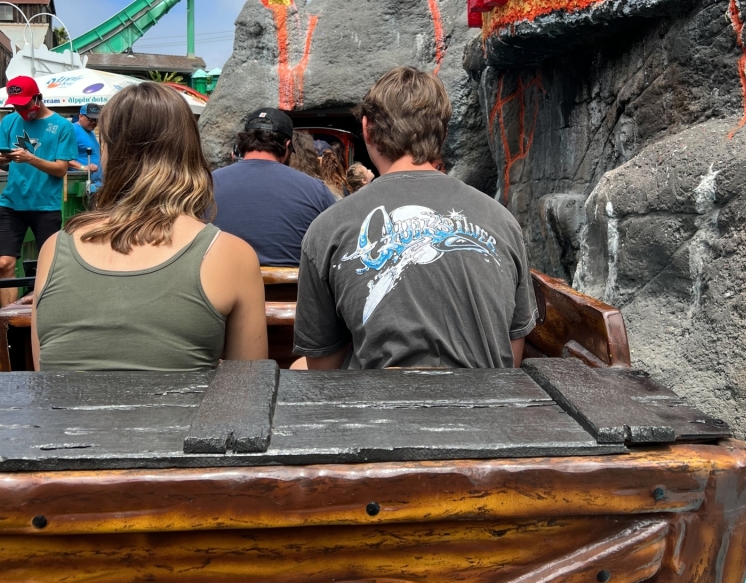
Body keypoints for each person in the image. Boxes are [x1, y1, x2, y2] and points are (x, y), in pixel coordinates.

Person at [293, 66, 537, 370]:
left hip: (379, 414)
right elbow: (510, 355)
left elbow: (322, 371)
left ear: (366, 129)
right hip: (487, 411)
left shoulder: (327, 228)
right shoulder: (502, 221)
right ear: (444, 134)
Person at [31, 81, 267, 372]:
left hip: (63, 418)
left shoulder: (54, 248)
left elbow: (45, 375)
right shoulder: (231, 254)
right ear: (190, 151)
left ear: (107, 151)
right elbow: (247, 389)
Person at [212, 107, 336, 266]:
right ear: (287, 146)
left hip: (221, 288)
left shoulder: (208, 184)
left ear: (242, 144)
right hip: (292, 290)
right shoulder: (317, 191)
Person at [0, 76, 78, 301]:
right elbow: (5, 160)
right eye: (15, 105)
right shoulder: (8, 121)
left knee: (50, 268)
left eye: (24, 105)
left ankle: (41, 319)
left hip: (45, 205)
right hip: (11, 202)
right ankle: (8, 326)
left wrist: (30, 158)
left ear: (38, 98)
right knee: (4, 263)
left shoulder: (62, 126)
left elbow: (61, 169)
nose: (20, 110)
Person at [69, 103, 102, 192]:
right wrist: (83, 167)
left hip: (95, 186)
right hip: (82, 185)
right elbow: (63, 158)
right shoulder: (72, 130)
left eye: (96, 120)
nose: (94, 123)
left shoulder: (90, 132)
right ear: (80, 116)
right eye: (90, 119)